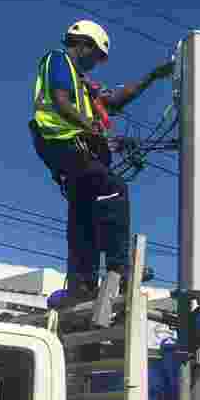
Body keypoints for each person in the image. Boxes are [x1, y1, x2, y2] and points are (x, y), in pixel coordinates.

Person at [31, 20, 174, 307]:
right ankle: (120, 267)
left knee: (84, 215)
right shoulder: (58, 61)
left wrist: (153, 77)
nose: (96, 63)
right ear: (83, 44)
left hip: (73, 154)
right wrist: (92, 129)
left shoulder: (83, 86)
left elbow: (117, 99)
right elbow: (60, 102)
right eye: (95, 56)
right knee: (114, 188)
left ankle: (82, 285)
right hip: (63, 144)